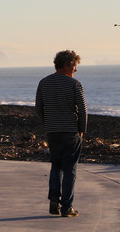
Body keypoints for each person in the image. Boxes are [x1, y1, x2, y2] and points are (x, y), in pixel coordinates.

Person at [35, 50, 87, 218]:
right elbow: (83, 110)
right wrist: (82, 130)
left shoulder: (43, 83)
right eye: (74, 66)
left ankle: (53, 200)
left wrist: (48, 123)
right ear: (66, 65)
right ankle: (67, 207)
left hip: (53, 132)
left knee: (56, 166)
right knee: (70, 169)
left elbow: (38, 108)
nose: (76, 70)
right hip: (70, 132)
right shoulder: (74, 84)